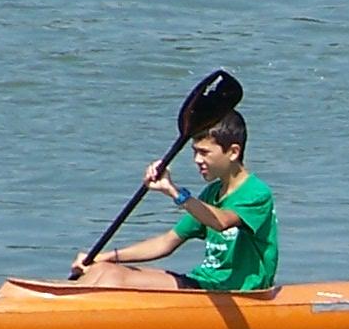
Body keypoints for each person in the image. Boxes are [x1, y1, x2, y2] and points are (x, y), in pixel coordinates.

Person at [75, 110, 279, 290]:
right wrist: (106, 257)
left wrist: (174, 192)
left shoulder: (256, 193)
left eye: (204, 152)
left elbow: (221, 221)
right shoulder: (212, 192)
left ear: (233, 152)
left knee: (113, 279)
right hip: (204, 283)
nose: (197, 160)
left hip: (237, 293)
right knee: (103, 270)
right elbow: (167, 242)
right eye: (195, 152)